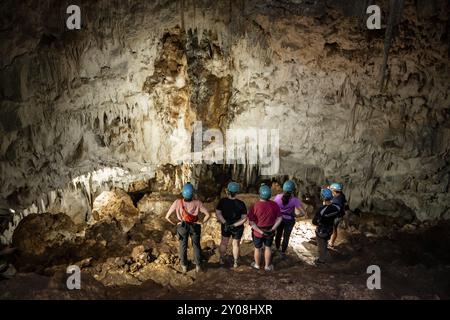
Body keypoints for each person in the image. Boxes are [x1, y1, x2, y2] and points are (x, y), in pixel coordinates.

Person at [165, 182, 210, 273]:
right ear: (192, 193)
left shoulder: (177, 202)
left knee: (183, 246)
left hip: (182, 226)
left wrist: (176, 223)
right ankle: (198, 266)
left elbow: (167, 217)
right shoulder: (197, 203)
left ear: (182, 193)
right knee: (196, 245)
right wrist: (201, 222)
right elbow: (208, 215)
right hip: (195, 226)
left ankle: (184, 266)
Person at [247, 184, 283, 271]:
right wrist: (273, 228)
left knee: (257, 248)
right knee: (268, 247)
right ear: (270, 195)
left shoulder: (254, 206)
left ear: (259, 194)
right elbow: (279, 218)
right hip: (270, 231)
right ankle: (267, 266)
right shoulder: (274, 205)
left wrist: (260, 231)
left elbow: (251, 222)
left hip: (258, 231)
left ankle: (257, 265)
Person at [216, 182, 247, 268]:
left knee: (224, 242)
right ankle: (236, 262)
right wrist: (234, 225)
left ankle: (221, 259)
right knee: (235, 244)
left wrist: (225, 223)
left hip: (225, 225)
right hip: (237, 227)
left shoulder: (222, 201)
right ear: (236, 192)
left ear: (228, 191)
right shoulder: (241, 203)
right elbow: (244, 218)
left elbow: (218, 213)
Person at [273, 180, 307, 258]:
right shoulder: (295, 200)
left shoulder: (278, 197)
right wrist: (295, 215)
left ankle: (277, 249)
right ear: (293, 190)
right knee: (286, 237)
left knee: (278, 234)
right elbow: (303, 213)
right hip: (289, 220)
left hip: (279, 219)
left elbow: (274, 209)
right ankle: (283, 252)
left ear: (283, 189)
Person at [312, 188, 341, 265]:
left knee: (321, 245)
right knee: (325, 241)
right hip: (330, 229)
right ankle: (324, 252)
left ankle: (321, 261)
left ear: (322, 197)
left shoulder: (321, 210)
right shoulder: (337, 207)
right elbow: (338, 216)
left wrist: (320, 222)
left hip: (322, 231)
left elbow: (314, 222)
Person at [329, 182, 347, 247]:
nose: (331, 192)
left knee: (333, 228)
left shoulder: (336, 201)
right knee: (333, 228)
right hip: (340, 215)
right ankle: (331, 241)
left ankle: (331, 242)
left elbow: (335, 210)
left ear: (334, 191)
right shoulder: (341, 195)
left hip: (336, 216)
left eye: (331, 191)